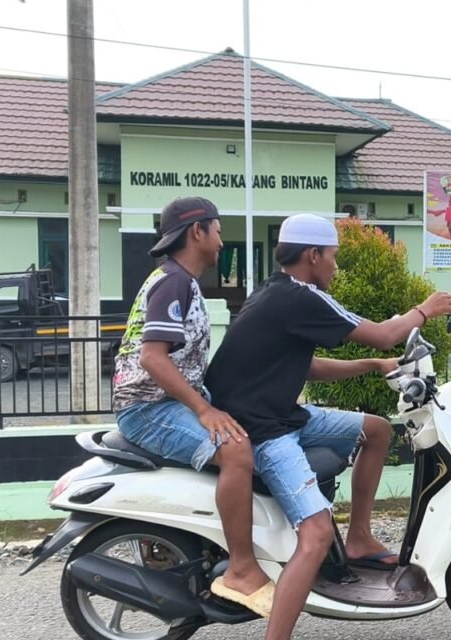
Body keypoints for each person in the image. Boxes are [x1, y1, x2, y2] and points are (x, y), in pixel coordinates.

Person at [204, 213, 451, 640]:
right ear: (313, 255)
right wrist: (424, 310)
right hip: (264, 430)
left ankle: (359, 538)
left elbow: (304, 367)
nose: (336, 267)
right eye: (334, 257)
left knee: (375, 430)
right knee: (317, 534)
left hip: (279, 412)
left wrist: (372, 366)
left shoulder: (273, 292)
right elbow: (382, 333)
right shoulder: (302, 296)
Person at [110, 197, 273, 615]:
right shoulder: (174, 281)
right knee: (236, 450)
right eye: (218, 231)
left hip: (162, 401)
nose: (222, 241)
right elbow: (152, 357)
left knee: (250, 430)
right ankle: (241, 568)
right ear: (196, 232)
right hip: (148, 407)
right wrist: (205, 410)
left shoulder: (180, 281)